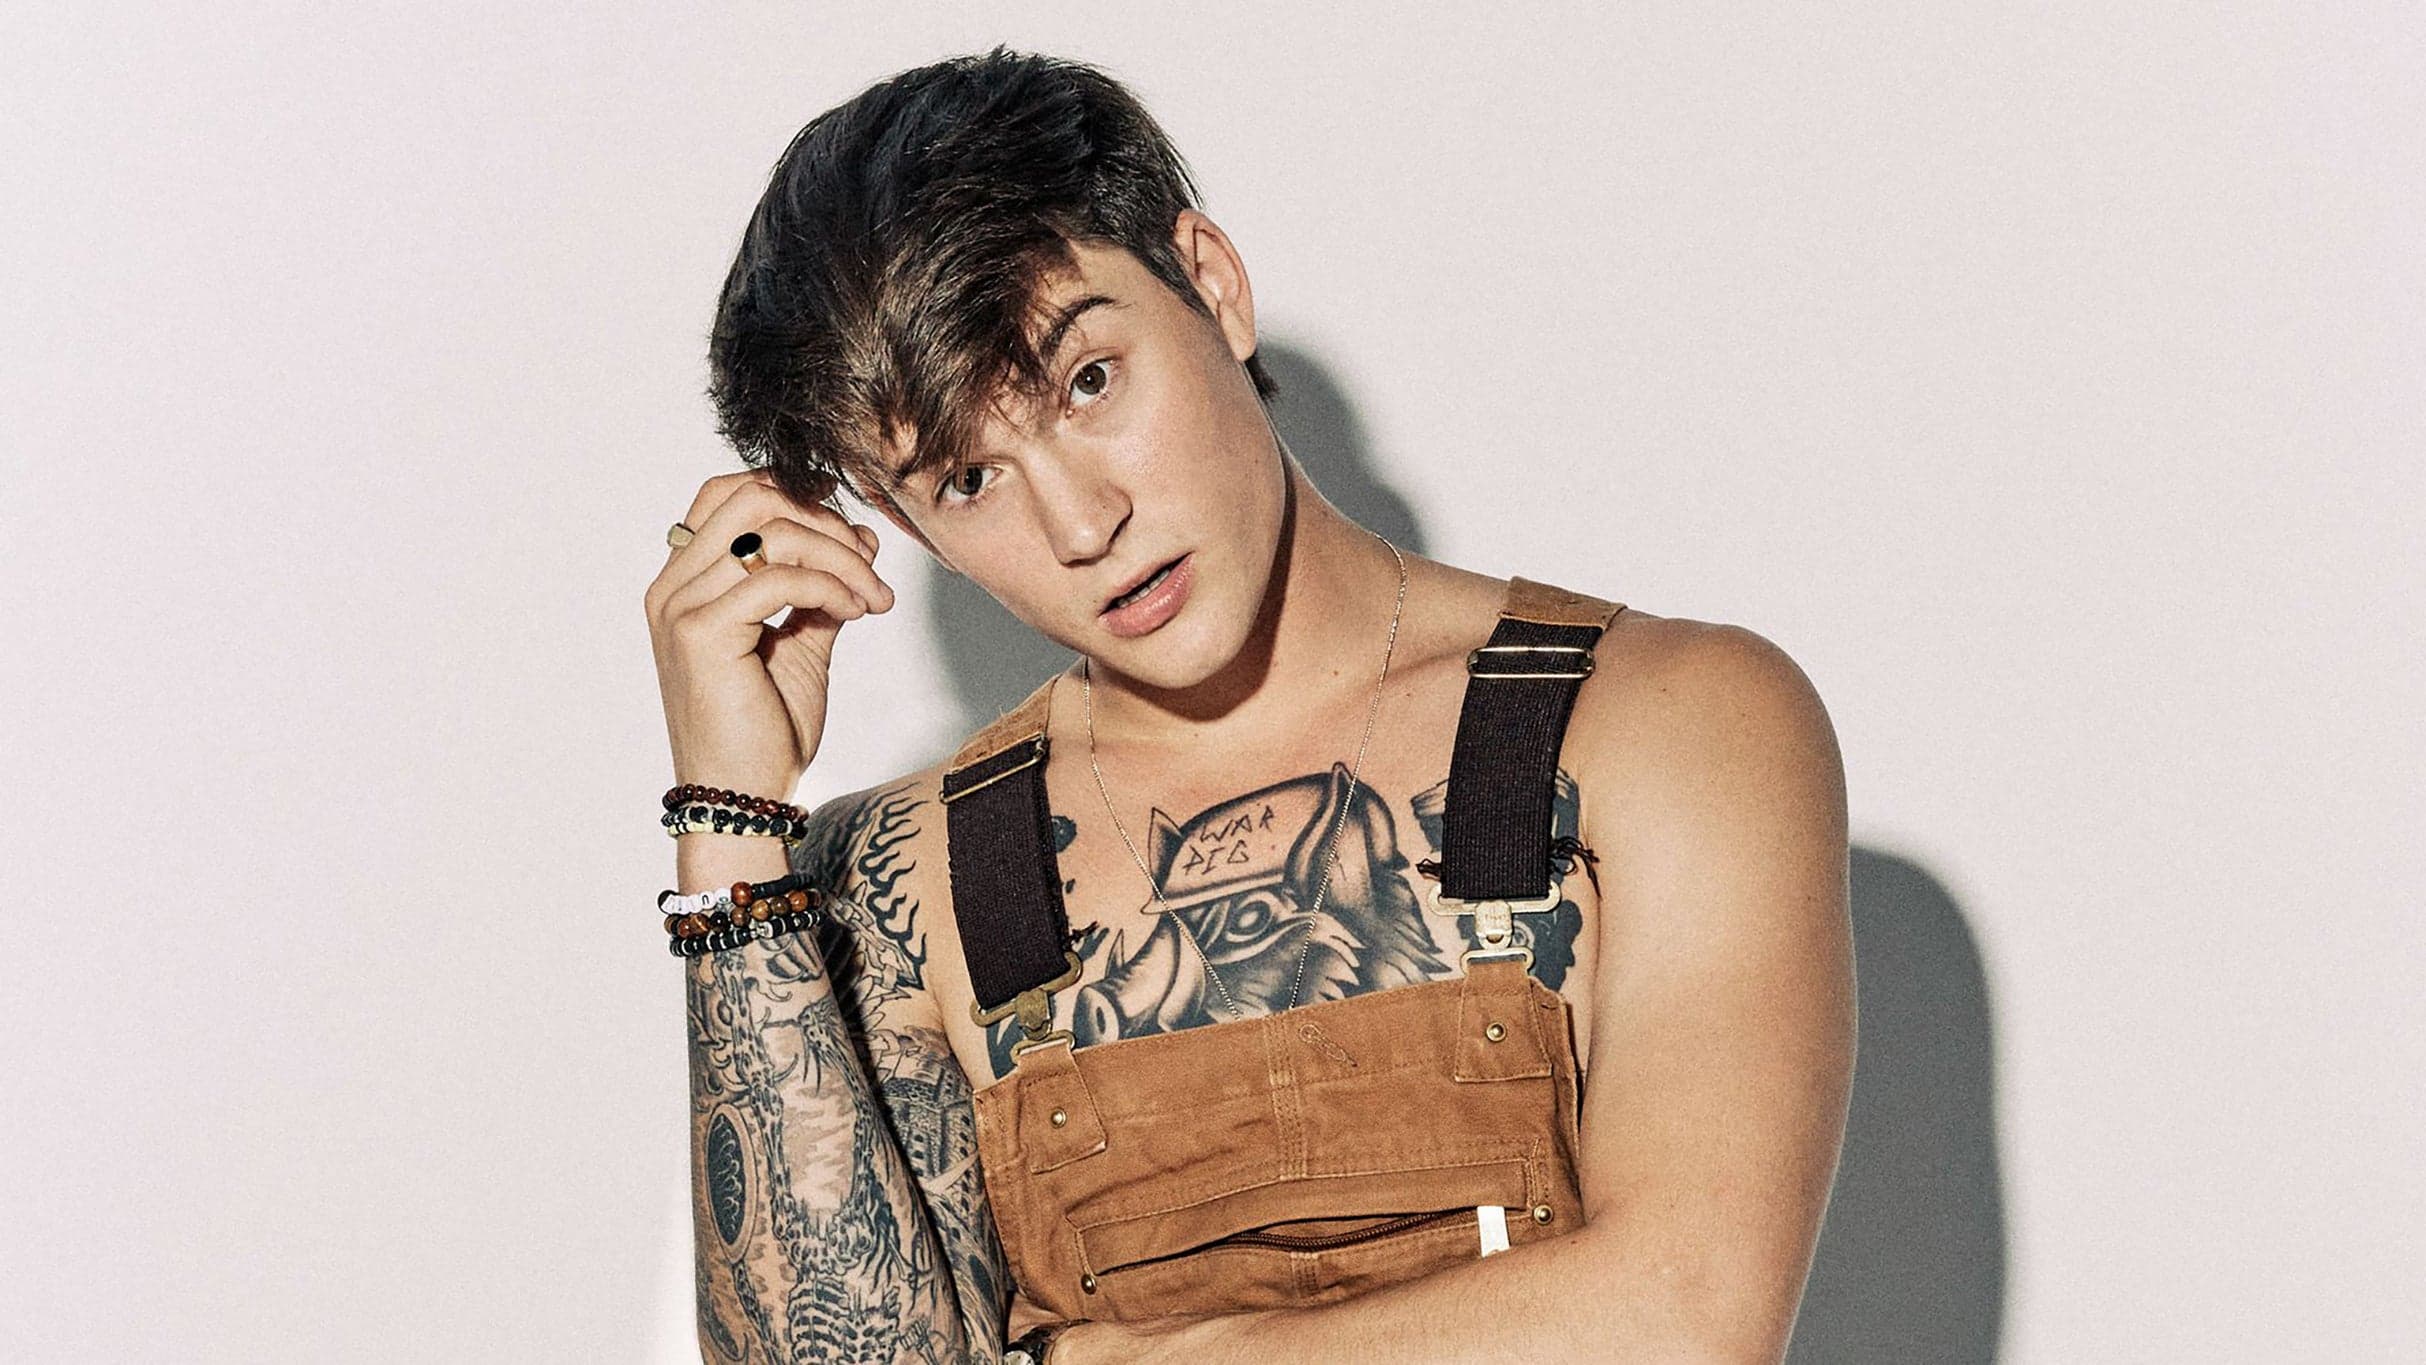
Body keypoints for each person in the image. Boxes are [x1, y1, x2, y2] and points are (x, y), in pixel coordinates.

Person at [645, 46, 1853, 1365]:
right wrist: (729, 821)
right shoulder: (908, 880)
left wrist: (1124, 1357)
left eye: (1088, 381)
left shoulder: (1663, 724)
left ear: (1211, 285)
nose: (1083, 522)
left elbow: (1685, 1322)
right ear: (894, 520)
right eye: (969, 480)